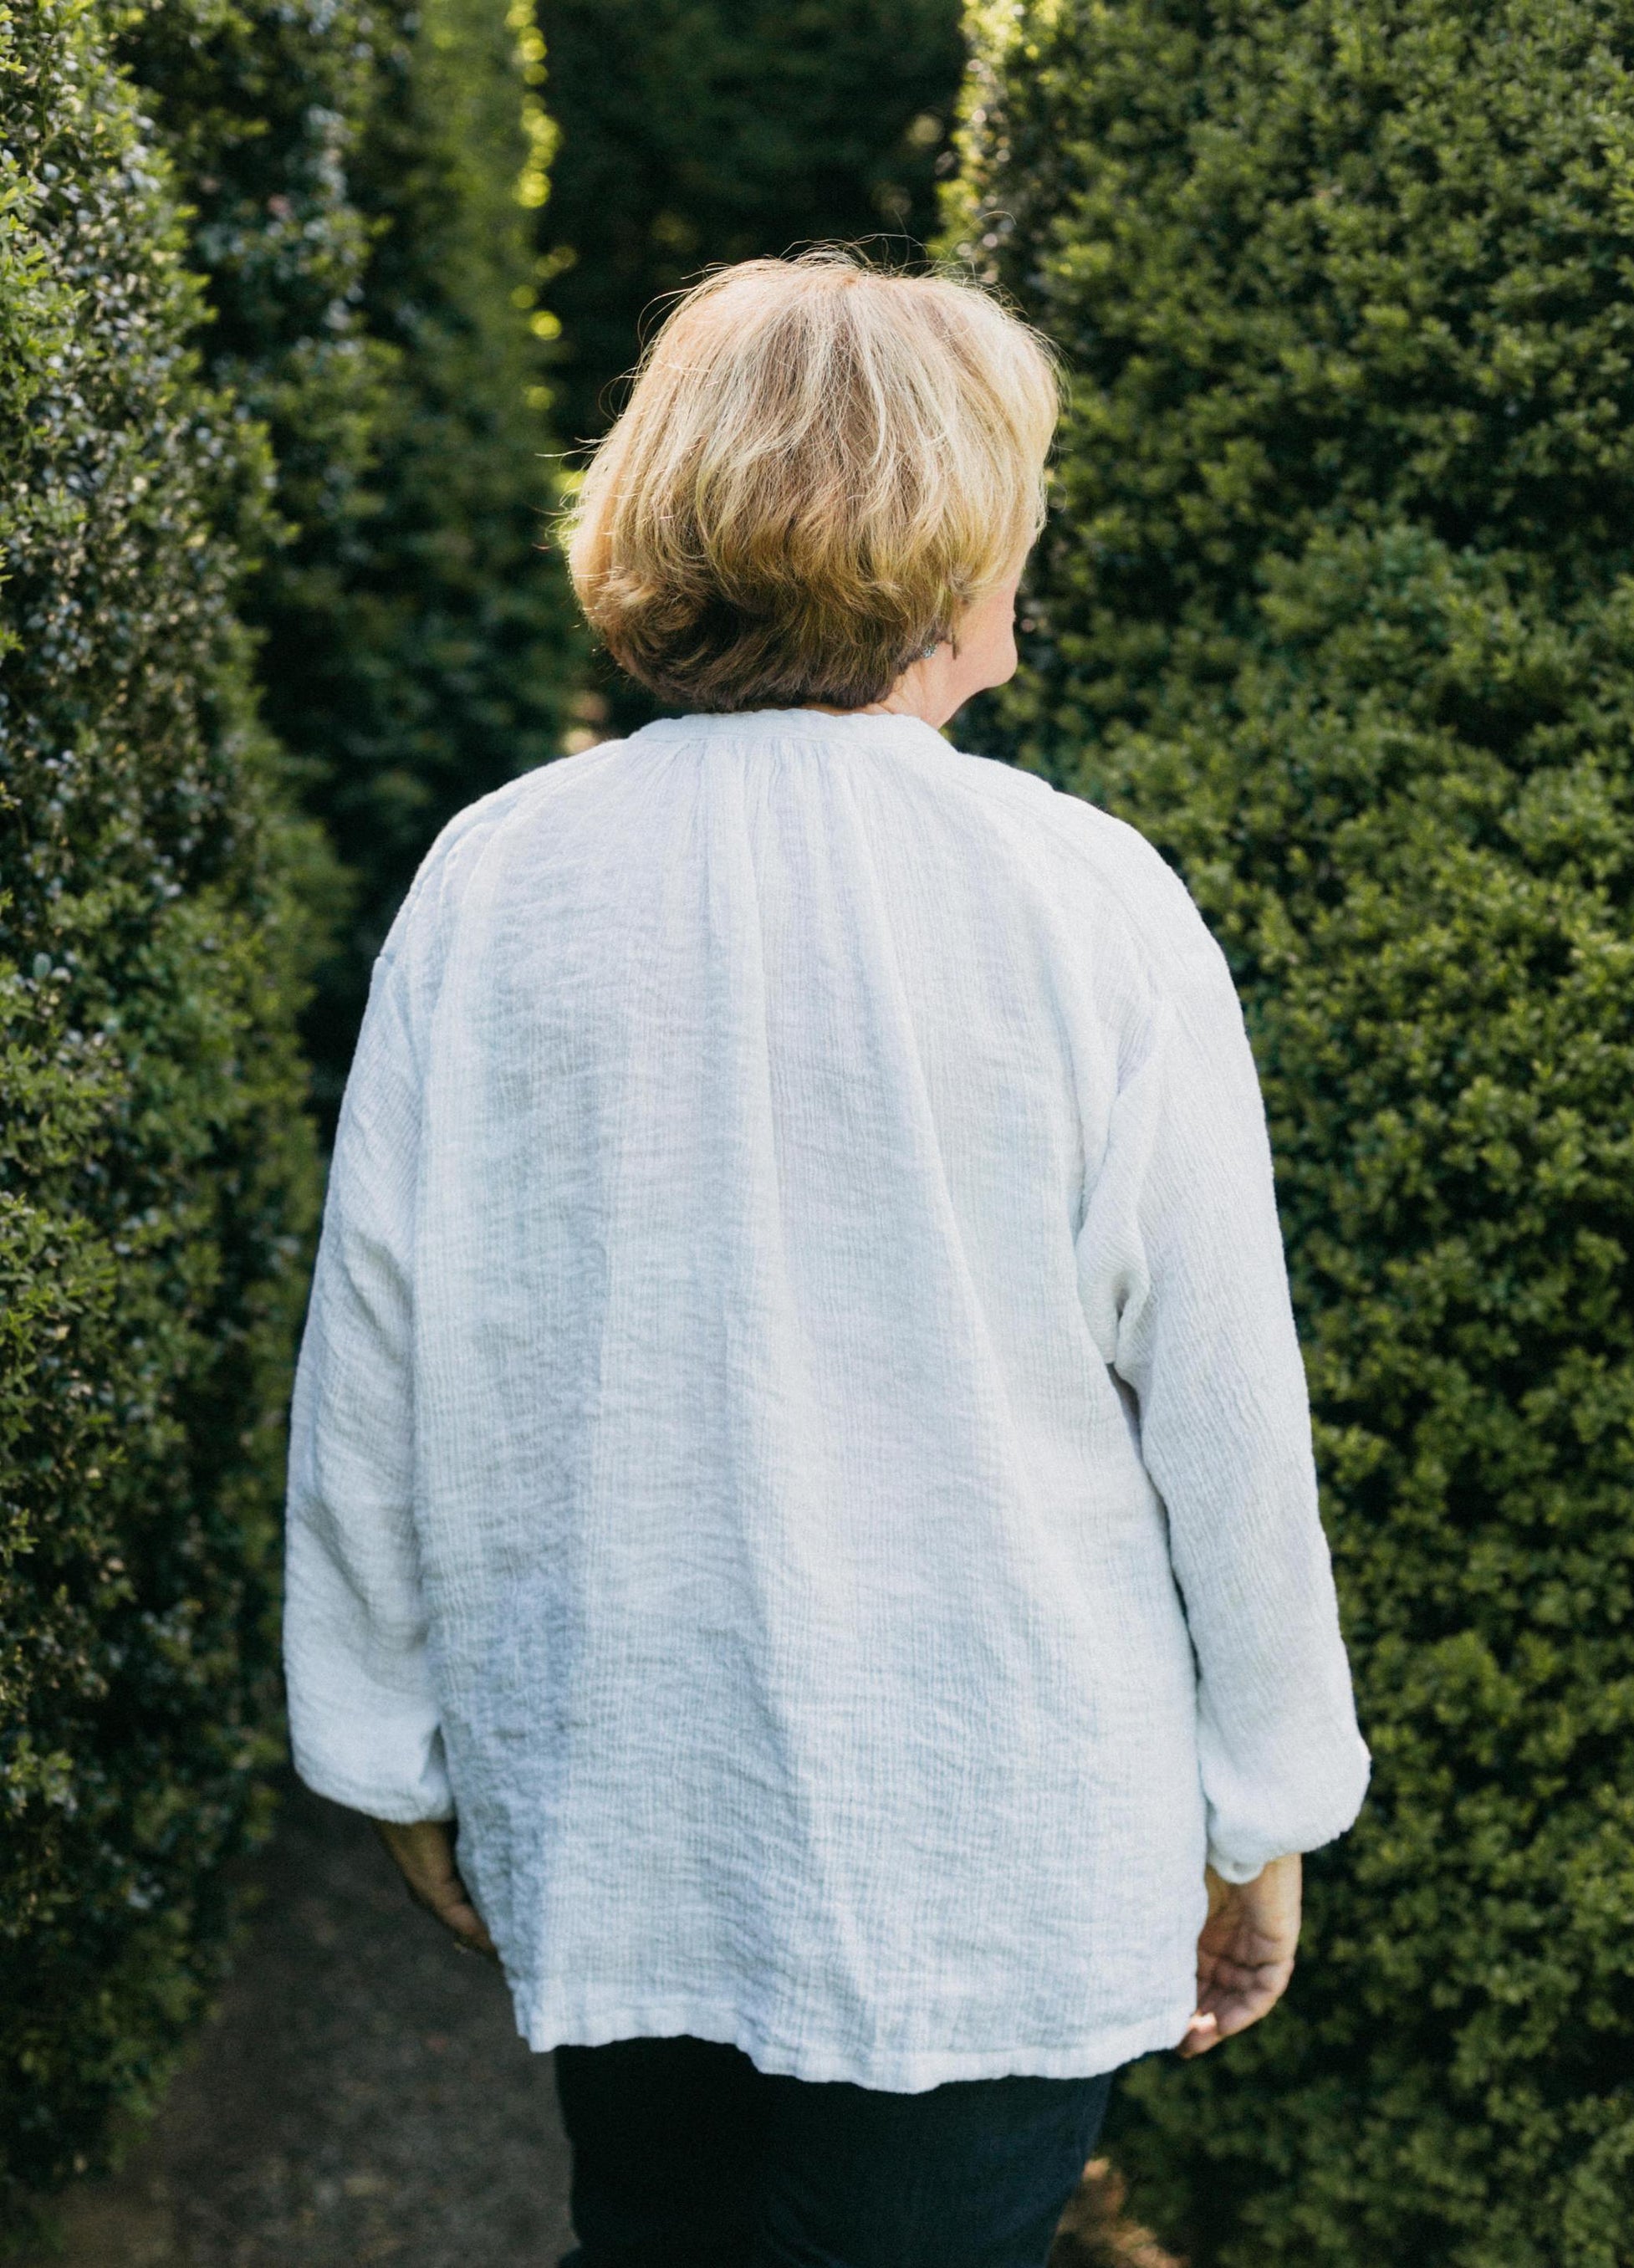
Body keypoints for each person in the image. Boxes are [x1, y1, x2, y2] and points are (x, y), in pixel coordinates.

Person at [283, 249, 1371, 2268]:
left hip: (621, 1795)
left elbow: (380, 1359)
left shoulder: (500, 879)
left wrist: (386, 1739)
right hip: (1002, 1822)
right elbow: (1222, 1401)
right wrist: (1268, 1803)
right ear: (955, 547)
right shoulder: (1085, 902)